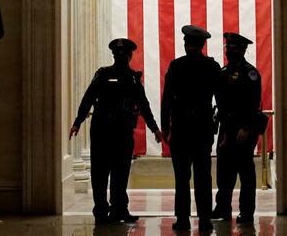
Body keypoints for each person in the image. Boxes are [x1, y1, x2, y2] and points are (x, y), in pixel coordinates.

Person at [70, 38, 163, 224]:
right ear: (129, 56)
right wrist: (78, 121)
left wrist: (154, 128)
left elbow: (142, 105)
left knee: (114, 173)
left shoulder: (126, 78)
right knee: (106, 173)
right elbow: (89, 98)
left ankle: (116, 210)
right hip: (109, 132)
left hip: (114, 132)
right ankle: (107, 211)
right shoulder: (111, 76)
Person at [161, 25, 221, 232]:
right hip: (201, 129)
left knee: (183, 178)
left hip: (182, 129)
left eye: (191, 44)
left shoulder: (177, 66)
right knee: (202, 177)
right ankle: (204, 219)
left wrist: (165, 128)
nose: (190, 47)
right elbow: (220, 101)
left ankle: (184, 219)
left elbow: (166, 100)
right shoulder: (211, 67)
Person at [211, 32, 262, 225]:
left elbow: (254, 103)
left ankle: (246, 213)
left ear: (242, 50)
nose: (229, 51)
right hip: (226, 128)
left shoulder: (251, 74)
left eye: (233, 48)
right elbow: (220, 102)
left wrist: (247, 127)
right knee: (224, 172)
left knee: (245, 173)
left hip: (244, 130)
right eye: (228, 48)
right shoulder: (223, 73)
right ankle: (223, 207)